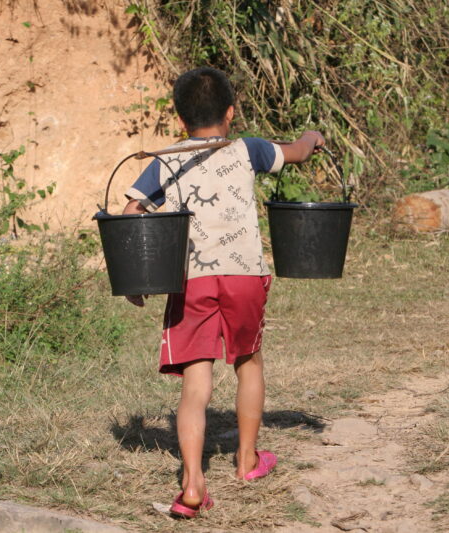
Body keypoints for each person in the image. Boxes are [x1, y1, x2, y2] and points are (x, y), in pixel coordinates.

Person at [123, 66, 324, 518]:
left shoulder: (165, 159)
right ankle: (248, 461)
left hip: (192, 279)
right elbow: (296, 152)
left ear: (180, 120)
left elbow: (133, 209)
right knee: (248, 361)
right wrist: (311, 137)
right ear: (231, 112)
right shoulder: (247, 149)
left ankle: (193, 483)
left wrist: (138, 279)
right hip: (244, 276)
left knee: (196, 384)